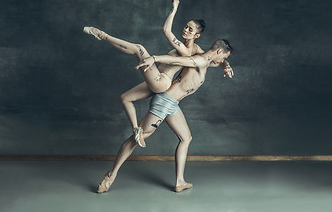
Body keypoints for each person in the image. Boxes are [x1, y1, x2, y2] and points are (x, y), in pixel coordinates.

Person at [83, 0, 232, 147]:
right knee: (125, 98)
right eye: (186, 27)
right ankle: (137, 129)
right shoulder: (198, 50)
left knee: (138, 48)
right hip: (156, 78)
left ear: (196, 36)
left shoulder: (186, 50)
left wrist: (174, 9)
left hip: (162, 81)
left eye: (190, 30)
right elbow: (213, 59)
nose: (185, 30)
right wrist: (226, 65)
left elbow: (166, 30)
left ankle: (102, 35)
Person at [97, 38, 234, 193]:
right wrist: (154, 58)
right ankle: (110, 176)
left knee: (186, 138)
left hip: (173, 105)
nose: (223, 60)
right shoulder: (200, 60)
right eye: (224, 57)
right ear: (219, 51)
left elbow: (218, 63)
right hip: (164, 102)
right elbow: (175, 59)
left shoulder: (206, 59)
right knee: (137, 138)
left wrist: (226, 66)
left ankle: (180, 181)